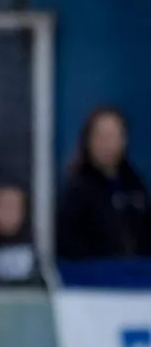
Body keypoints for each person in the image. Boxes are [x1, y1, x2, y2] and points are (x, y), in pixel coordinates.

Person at [56, 106, 151, 260]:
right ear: (88, 141)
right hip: (92, 272)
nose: (107, 144)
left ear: (124, 140)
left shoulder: (136, 186)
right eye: (100, 136)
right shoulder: (76, 191)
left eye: (112, 136)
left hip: (136, 272)